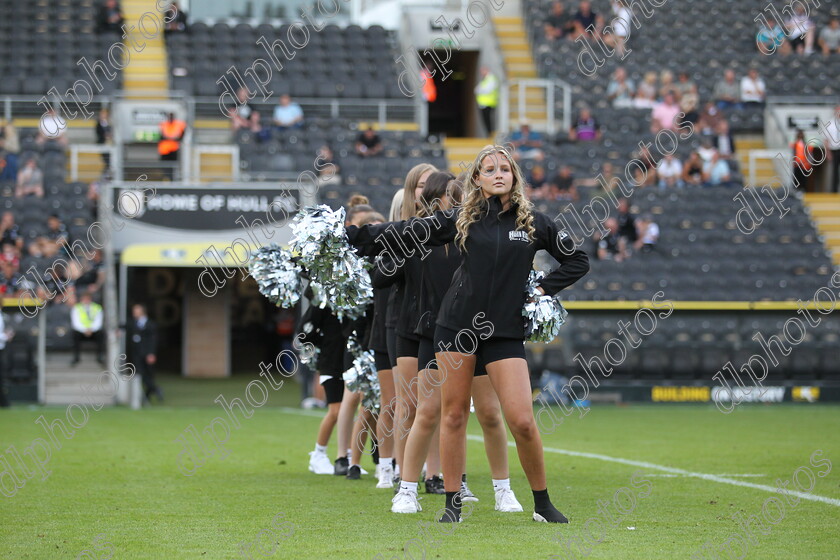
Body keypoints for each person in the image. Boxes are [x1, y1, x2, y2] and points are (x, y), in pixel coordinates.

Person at [346, 145, 589, 524]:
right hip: (455, 329)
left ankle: (542, 504)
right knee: (454, 415)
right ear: (476, 178)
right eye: (489, 169)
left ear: (514, 177)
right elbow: (405, 231)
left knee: (522, 420)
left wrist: (542, 289)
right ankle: (452, 503)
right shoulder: (461, 219)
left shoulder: (534, 223)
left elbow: (577, 260)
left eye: (504, 169)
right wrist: (356, 235)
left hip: (505, 332)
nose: (497, 174)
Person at [390, 171, 524, 515]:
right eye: (451, 197)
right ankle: (406, 489)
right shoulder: (421, 236)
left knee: (491, 414)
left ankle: (502, 489)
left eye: (461, 195)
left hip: (477, 333)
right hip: (435, 334)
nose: (459, 202)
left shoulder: (478, 235)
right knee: (430, 412)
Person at [127, 303, 163, 403]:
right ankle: (152, 392)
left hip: (147, 353)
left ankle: (152, 392)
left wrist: (151, 353)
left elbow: (153, 340)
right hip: (137, 353)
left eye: (136, 311)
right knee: (140, 374)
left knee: (148, 375)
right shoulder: (133, 323)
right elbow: (125, 326)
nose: (134, 313)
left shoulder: (151, 325)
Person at [71, 292, 104, 365]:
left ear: (90, 299)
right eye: (84, 299)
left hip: (93, 331)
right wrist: (85, 330)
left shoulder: (97, 307)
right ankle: (76, 358)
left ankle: (100, 357)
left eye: (87, 299)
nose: (86, 301)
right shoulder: (76, 307)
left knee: (101, 334)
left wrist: (91, 329)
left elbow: (98, 322)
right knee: (75, 334)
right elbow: (76, 322)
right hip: (81, 331)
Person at [158, 112, 187, 180]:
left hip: (174, 149)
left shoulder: (179, 124)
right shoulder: (164, 124)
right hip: (164, 150)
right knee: (165, 166)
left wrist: (170, 138)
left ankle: (172, 178)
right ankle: (166, 178)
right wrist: (172, 138)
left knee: (174, 166)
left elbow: (181, 136)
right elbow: (161, 136)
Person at [475, 67, 499, 137]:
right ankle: (489, 134)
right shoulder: (484, 80)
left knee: (489, 121)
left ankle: (491, 135)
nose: (481, 73)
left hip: (489, 104)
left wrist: (480, 90)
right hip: (483, 104)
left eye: (482, 71)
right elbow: (476, 89)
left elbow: (486, 90)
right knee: (486, 121)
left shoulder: (491, 79)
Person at [822, 106, 840, 193]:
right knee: (834, 171)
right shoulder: (830, 124)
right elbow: (826, 140)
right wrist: (828, 153)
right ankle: (834, 191)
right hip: (834, 150)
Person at [0, 311, 11, 408]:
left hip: (2, 349)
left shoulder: (3, 315)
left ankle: (3, 401)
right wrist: (5, 336)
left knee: (2, 376)